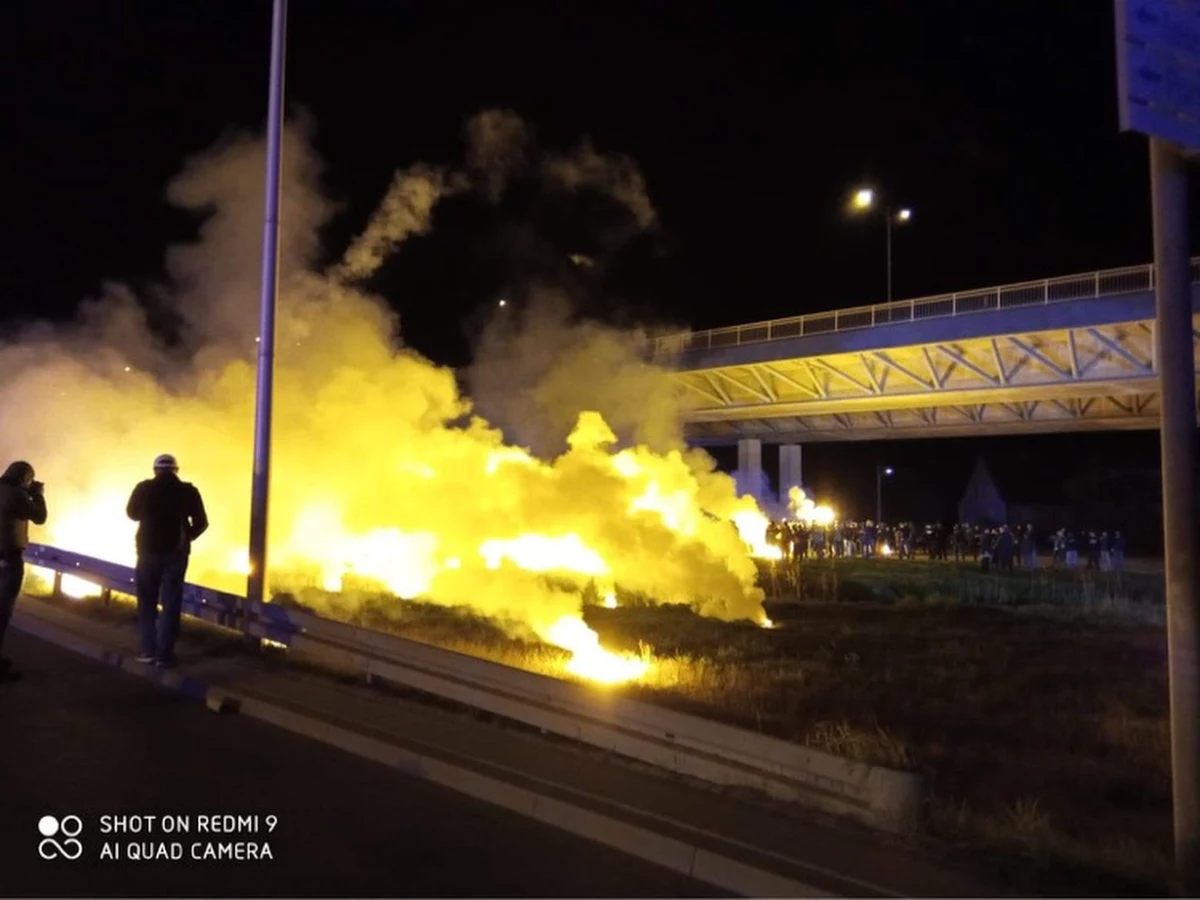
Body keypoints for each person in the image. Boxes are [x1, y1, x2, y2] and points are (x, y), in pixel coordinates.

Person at [126, 454, 208, 667]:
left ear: (155, 470)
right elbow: (202, 522)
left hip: (147, 551)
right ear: (176, 470)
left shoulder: (144, 488)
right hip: (176, 553)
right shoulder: (188, 490)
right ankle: (164, 654)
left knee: (147, 602)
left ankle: (147, 651)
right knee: (171, 602)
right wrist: (186, 537)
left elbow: (132, 514)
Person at [0, 461, 47, 682]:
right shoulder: (17, 496)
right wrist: (37, 494)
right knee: (2, 611)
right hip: (8, 558)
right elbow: (40, 517)